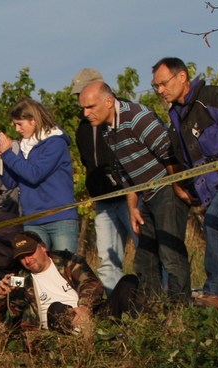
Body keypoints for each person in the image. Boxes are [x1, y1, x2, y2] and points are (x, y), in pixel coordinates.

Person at [154, 57, 218, 312]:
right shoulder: (176, 119)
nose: (160, 90)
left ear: (182, 77)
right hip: (213, 188)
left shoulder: (212, 96)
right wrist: (187, 186)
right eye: (155, 86)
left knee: (213, 220)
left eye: (163, 83)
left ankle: (213, 291)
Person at [78, 81, 191, 306]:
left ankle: (180, 311)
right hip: (144, 197)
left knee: (170, 254)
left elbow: (169, 152)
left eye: (90, 107)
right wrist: (132, 207)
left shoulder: (138, 117)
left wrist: (177, 186)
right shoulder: (108, 131)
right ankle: (153, 311)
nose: (85, 113)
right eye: (83, 108)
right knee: (145, 258)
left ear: (108, 101)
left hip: (164, 190)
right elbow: (127, 174)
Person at [0, 231, 121, 335]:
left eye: (30, 253)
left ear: (43, 247)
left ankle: (128, 329)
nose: (27, 260)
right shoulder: (22, 280)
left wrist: (85, 307)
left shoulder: (66, 260)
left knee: (128, 282)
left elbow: (91, 283)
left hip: (88, 313)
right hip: (56, 325)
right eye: (21, 257)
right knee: (56, 308)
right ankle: (84, 332)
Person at [72, 68, 132, 293]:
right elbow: (89, 161)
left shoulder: (124, 114)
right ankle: (115, 308)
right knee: (107, 260)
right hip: (103, 199)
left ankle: (158, 303)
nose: (80, 101)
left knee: (146, 251)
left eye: (83, 93)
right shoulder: (82, 127)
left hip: (129, 196)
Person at [0, 99, 79, 252]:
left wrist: (8, 154)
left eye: (20, 124)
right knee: (37, 271)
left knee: (65, 268)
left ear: (33, 120)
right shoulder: (24, 146)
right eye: (15, 124)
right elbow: (11, 182)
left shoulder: (55, 143)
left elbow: (35, 174)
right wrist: (0, 159)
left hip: (59, 218)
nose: (17, 129)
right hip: (32, 219)